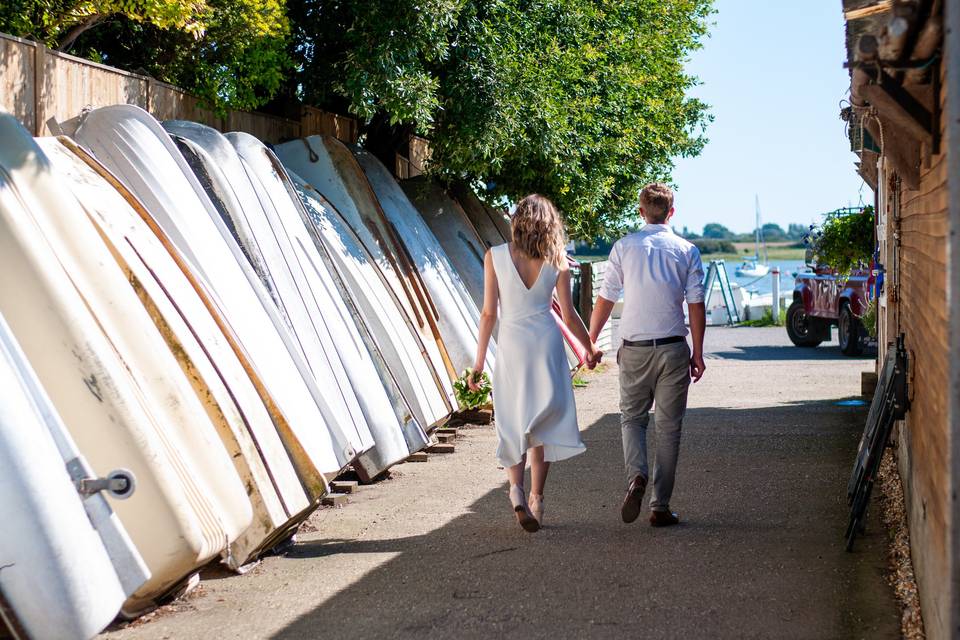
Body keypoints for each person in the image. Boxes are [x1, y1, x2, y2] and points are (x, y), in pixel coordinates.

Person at [469, 194, 601, 532]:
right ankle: (538, 499)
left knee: (512, 418)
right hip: (545, 343)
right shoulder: (558, 261)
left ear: (517, 221)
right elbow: (569, 317)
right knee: (540, 424)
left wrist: (479, 363)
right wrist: (589, 349)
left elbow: (488, 314)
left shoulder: (495, 256)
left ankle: (516, 489)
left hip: (512, 345)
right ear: (549, 224)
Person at [589, 183, 706, 528]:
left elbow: (606, 298)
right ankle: (660, 507)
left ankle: (636, 477)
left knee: (632, 419)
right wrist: (698, 352)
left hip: (635, 349)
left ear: (641, 212)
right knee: (669, 429)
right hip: (672, 348)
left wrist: (590, 341)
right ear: (672, 212)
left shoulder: (624, 247)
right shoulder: (687, 250)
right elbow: (695, 304)